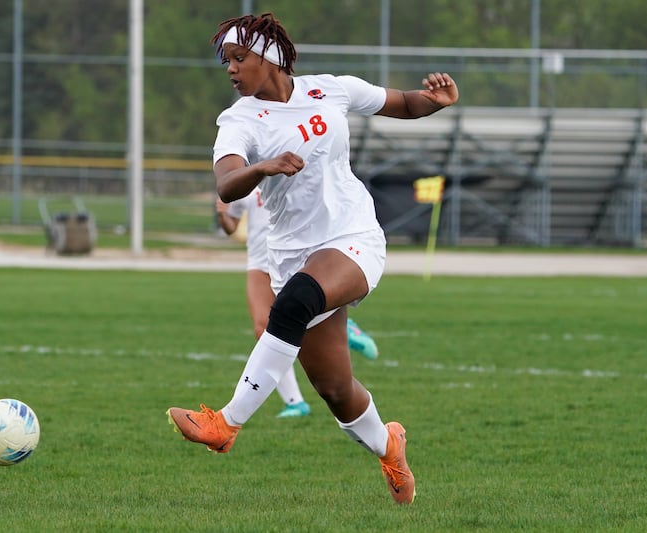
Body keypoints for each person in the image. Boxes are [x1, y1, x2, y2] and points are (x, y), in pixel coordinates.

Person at [168, 12, 458, 505]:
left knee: (295, 302)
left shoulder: (332, 89)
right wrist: (262, 167)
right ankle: (390, 447)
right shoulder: (238, 120)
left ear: (272, 57)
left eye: (240, 58)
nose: (232, 70)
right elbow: (226, 181)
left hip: (354, 239)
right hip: (291, 257)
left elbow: (404, 104)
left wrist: (434, 101)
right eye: (227, 63)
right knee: (336, 390)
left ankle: (225, 423)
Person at [215, 189, 380, 418]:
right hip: (260, 260)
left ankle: (342, 325)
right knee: (263, 328)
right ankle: (295, 402)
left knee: (298, 315)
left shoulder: (289, 164)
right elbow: (231, 226)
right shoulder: (242, 175)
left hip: (297, 257)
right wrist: (223, 214)